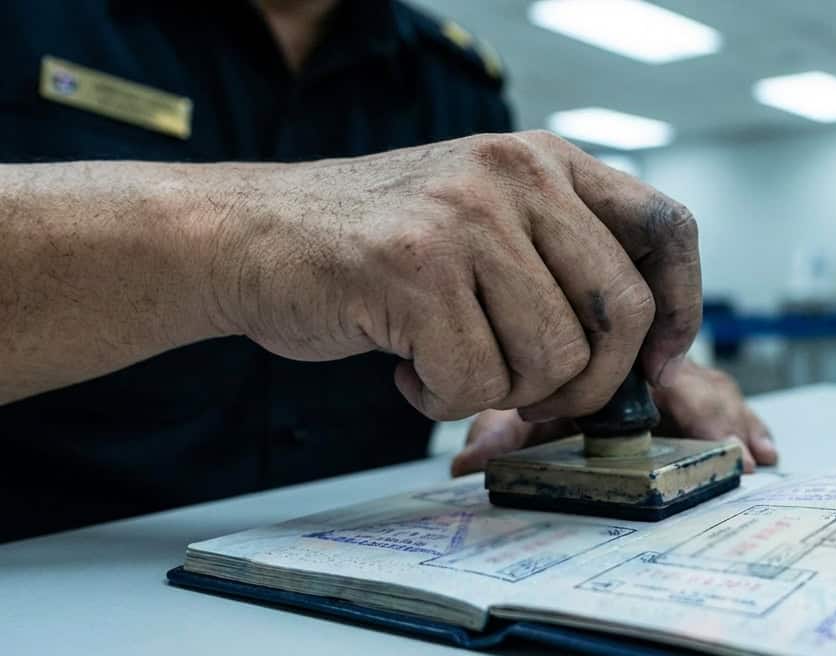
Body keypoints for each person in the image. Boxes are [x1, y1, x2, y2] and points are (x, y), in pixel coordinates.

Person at [0, 0, 776, 543]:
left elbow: (490, 285)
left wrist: (582, 363)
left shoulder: (452, 76)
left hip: (369, 573)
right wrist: (241, 237)